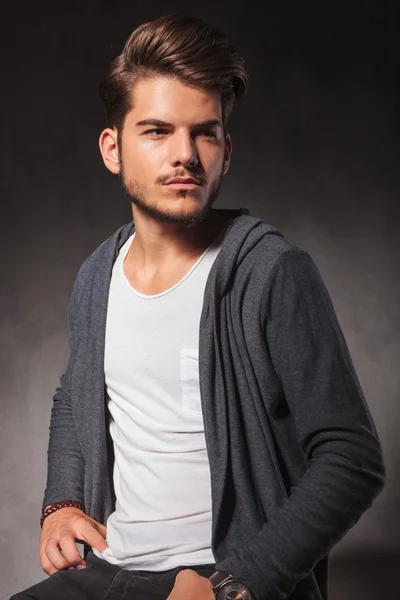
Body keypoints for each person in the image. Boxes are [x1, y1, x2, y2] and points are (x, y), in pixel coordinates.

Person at [11, 13, 385, 600]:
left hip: (221, 576)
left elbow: (352, 456)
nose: (185, 154)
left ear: (226, 150)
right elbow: (73, 394)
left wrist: (234, 585)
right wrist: (60, 504)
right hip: (110, 569)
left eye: (204, 133)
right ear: (114, 148)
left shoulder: (271, 273)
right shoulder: (96, 276)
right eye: (157, 131)